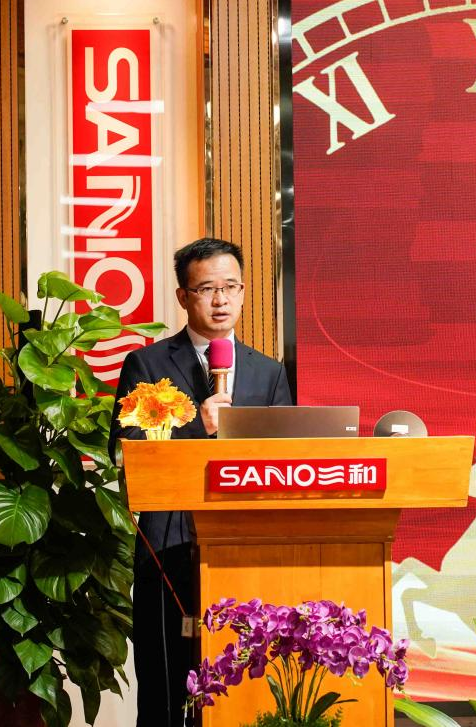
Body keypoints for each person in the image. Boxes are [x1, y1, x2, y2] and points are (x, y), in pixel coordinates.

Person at [110, 237, 293, 726]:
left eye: (230, 287)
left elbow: (284, 458)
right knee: (166, 685)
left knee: (243, 684)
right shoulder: (148, 364)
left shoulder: (268, 372)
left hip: (246, 544)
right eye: (207, 288)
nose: (220, 300)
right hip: (169, 542)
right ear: (183, 296)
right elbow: (125, 449)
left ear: (243, 292)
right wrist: (197, 425)